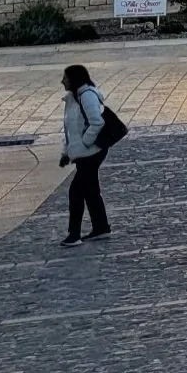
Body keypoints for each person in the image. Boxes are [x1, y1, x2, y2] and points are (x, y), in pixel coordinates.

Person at [58, 64, 111, 245]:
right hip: (83, 153)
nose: (62, 81)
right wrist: (67, 152)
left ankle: (74, 235)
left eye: (65, 77)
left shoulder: (87, 96)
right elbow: (70, 130)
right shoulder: (72, 99)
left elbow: (97, 122)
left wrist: (84, 143)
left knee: (76, 191)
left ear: (74, 79)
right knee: (90, 190)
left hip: (92, 152)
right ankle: (101, 227)